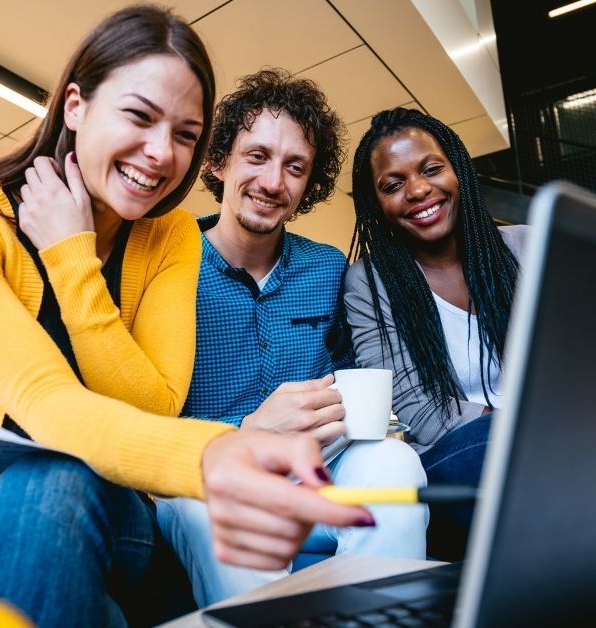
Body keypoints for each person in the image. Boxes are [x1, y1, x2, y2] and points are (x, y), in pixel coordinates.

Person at [0, 7, 373, 625]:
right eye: (139, 115)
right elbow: (43, 400)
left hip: (100, 499)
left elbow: (153, 402)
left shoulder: (173, 236)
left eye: (186, 134)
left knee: (55, 480)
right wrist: (221, 452)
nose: (160, 154)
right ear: (75, 105)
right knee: (58, 520)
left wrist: (70, 258)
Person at [156, 70, 428, 607]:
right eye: (256, 156)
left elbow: (354, 375)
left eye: (294, 167)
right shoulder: (166, 262)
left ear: (309, 185)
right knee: (209, 509)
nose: (273, 182)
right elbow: (139, 415)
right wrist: (248, 431)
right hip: (206, 479)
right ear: (219, 162)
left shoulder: (327, 268)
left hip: (315, 472)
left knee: (395, 467)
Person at [343, 107, 527, 555]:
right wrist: (519, 425)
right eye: (393, 184)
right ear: (377, 205)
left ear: (458, 170)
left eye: (431, 169)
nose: (419, 190)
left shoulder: (525, 246)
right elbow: (413, 405)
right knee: (498, 444)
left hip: (555, 436)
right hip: (458, 454)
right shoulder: (369, 283)